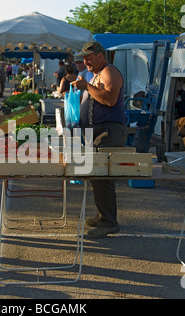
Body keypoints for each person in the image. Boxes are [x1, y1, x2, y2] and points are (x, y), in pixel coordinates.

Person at [71, 41, 128, 238]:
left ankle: (109, 222)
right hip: (97, 131)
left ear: (101, 56)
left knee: (103, 176)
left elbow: (110, 99)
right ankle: (104, 215)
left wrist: (86, 86)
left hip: (109, 130)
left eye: (89, 57)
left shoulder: (109, 71)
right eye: (84, 57)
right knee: (97, 176)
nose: (85, 61)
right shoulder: (97, 74)